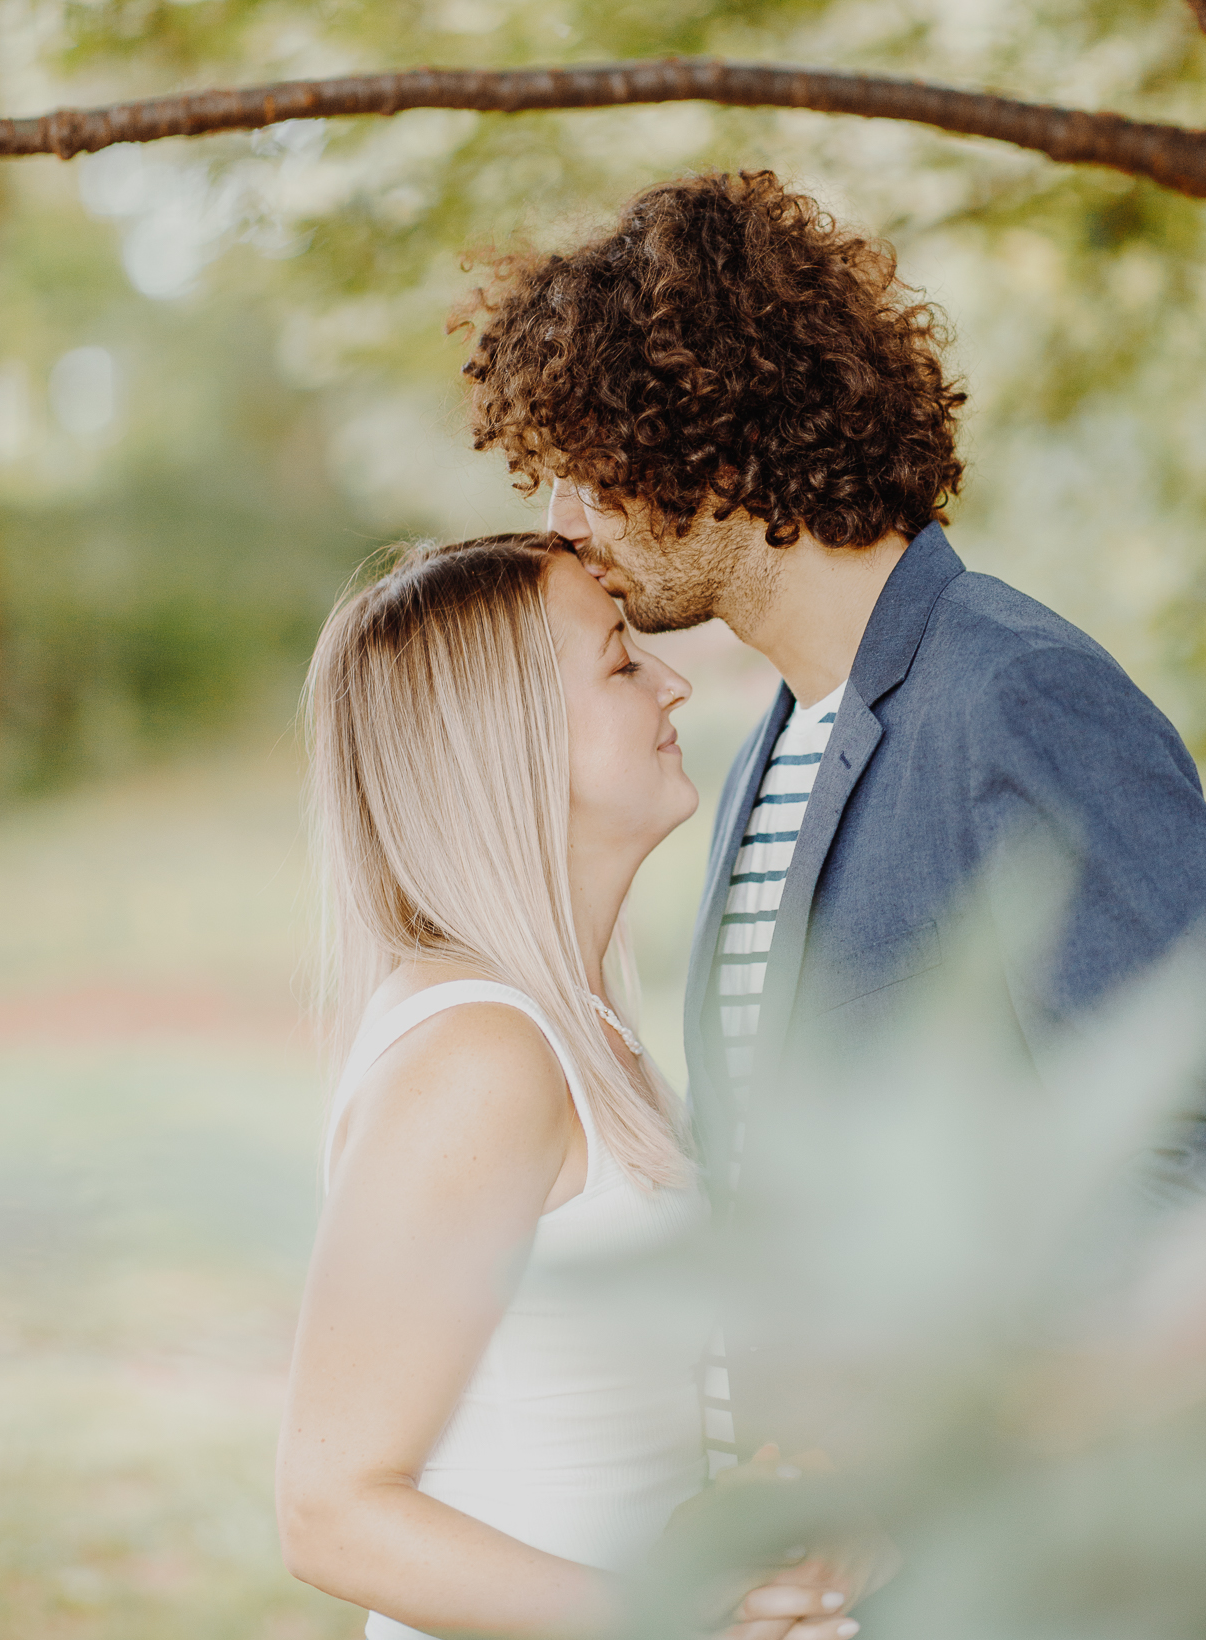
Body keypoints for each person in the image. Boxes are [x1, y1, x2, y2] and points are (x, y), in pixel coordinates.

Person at [460, 167, 1206, 1538]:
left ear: (715, 444)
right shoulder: (756, 759)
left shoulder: (1014, 696)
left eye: (585, 461)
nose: (561, 518)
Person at [277, 535, 861, 1640]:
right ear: (514, 741)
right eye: (618, 662)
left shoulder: (579, 1033)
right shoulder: (479, 1057)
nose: (674, 677)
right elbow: (329, 1510)